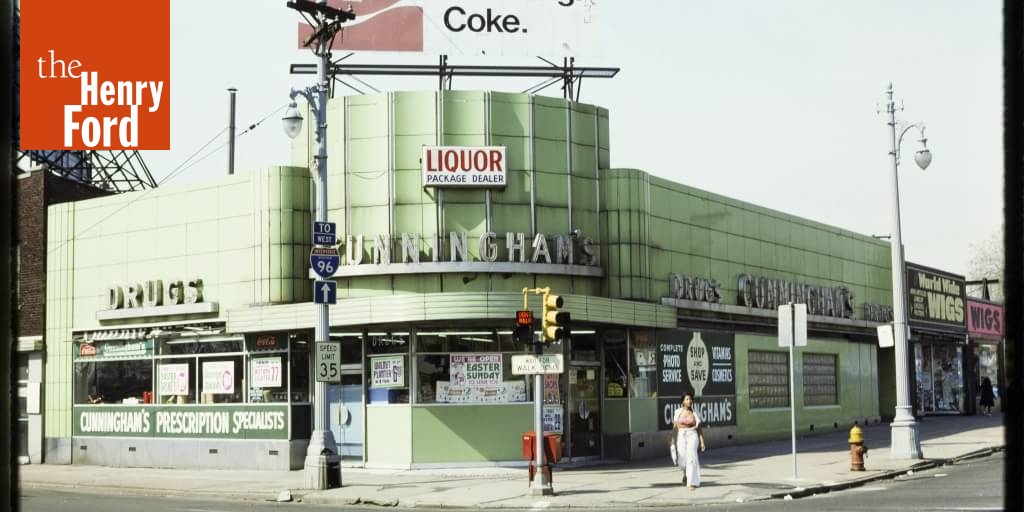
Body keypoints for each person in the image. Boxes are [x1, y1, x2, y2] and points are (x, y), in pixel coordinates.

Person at [672, 391, 706, 490]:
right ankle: (685, 474)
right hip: (681, 435)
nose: (689, 401)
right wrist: (672, 440)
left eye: (690, 399)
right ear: (683, 402)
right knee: (682, 459)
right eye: (687, 399)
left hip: (692, 435)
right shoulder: (678, 412)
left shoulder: (695, 413)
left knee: (691, 457)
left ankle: (691, 483)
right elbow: (674, 427)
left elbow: (699, 428)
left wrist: (702, 441)